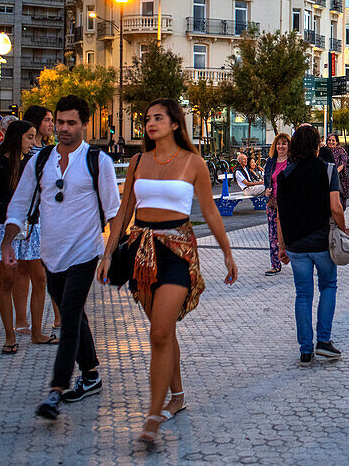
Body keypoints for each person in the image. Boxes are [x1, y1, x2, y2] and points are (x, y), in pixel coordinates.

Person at [99, 98, 237, 447]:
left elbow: (210, 211)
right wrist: (107, 252)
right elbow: (123, 212)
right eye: (147, 118)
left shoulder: (194, 163)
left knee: (160, 332)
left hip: (178, 251)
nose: (150, 123)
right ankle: (176, 396)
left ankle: (151, 420)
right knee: (162, 331)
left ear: (175, 123)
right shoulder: (137, 162)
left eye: (158, 118)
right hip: (141, 252)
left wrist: (227, 252)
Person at [0, 95, 121, 420]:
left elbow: (114, 213)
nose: (63, 129)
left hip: (85, 253)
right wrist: (8, 243)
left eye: (71, 123)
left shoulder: (99, 161)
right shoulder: (40, 162)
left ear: (83, 124)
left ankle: (56, 391)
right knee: (75, 315)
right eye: (60, 122)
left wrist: (110, 255)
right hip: (51, 256)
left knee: (68, 317)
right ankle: (92, 374)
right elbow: (19, 204)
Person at [273, 124, 349, 366]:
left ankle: (306, 350)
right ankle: (323, 342)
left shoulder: (284, 174)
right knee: (328, 286)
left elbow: (280, 214)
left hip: (296, 244)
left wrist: (281, 245)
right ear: (317, 145)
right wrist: (344, 229)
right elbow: (336, 207)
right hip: (322, 242)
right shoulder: (327, 170)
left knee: (303, 295)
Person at [0, 120, 55, 353]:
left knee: (40, 279)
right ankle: (9, 336)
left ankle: (37, 332)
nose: (33, 142)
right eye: (29, 137)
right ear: (16, 137)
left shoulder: (32, 165)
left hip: (31, 227)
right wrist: (11, 208)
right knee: (7, 281)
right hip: (4, 228)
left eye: (34, 137)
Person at [23, 104, 62, 339]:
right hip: (32, 221)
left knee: (52, 272)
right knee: (35, 276)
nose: (51, 125)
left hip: (50, 219)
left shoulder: (50, 150)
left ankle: (58, 318)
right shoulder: (26, 153)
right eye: (47, 120)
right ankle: (25, 323)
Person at [262, 133, 291, 276]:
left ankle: (295, 259)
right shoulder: (270, 162)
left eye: (284, 143)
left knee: (290, 233)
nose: (281, 146)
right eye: (278, 143)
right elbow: (267, 181)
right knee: (273, 235)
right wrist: (266, 190)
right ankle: (275, 264)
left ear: (288, 145)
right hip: (273, 203)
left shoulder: (293, 162)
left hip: (288, 204)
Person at [319, 133, 349, 208]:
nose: (331, 142)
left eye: (333, 140)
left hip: (339, 176)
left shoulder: (341, 150)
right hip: (326, 176)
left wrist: (335, 172)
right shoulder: (323, 150)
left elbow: (343, 163)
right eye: (329, 140)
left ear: (337, 142)